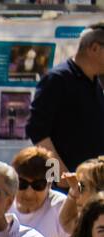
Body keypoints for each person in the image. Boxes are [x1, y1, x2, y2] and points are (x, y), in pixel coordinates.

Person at [27, 23, 104, 176]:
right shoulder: (58, 79)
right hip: (66, 188)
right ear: (94, 48)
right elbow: (37, 130)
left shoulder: (95, 82)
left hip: (91, 184)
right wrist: (59, 175)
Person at [11, 146, 69, 237]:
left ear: (49, 185)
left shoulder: (60, 207)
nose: (29, 193)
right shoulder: (3, 204)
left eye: (38, 185)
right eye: (22, 184)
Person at [59, 156, 104, 237]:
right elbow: (67, 222)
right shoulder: (89, 220)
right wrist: (72, 192)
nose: (76, 192)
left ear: (99, 191)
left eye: (81, 187)